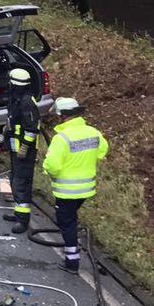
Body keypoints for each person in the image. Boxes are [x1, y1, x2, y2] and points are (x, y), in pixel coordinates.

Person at [41, 96, 108, 273]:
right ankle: (72, 253)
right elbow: (102, 151)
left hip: (66, 191)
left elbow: (52, 165)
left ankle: (72, 261)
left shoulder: (62, 138)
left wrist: (48, 170)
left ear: (63, 116)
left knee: (67, 223)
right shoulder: (93, 132)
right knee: (70, 218)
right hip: (86, 189)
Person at [1, 68, 41, 235]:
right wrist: (3, 136)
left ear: (15, 84)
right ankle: (18, 213)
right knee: (14, 180)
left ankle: (23, 221)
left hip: (24, 151)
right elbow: (12, 121)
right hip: (15, 148)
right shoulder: (15, 99)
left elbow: (32, 129)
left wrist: (24, 147)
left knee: (21, 184)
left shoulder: (27, 102)